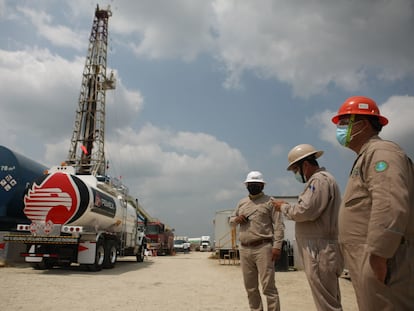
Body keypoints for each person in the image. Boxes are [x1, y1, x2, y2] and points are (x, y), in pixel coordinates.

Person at [331, 96, 414, 310]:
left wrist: (380, 254)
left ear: (364, 124)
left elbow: (389, 203)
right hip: (368, 257)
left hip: (381, 258)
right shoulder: (366, 156)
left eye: (344, 123)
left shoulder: (382, 153)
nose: (339, 128)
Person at [271, 144, 343, 311]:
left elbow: (306, 211)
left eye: (296, 170)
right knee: (330, 299)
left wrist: (284, 207)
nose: (296, 175)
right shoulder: (325, 179)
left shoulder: (318, 181)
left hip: (319, 249)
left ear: (305, 165)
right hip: (323, 247)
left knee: (326, 303)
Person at [229, 171, 285, 311]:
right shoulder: (241, 203)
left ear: (262, 185)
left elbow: (279, 226)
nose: (253, 186)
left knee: (268, 287)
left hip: (263, 248)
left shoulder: (270, 202)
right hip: (244, 249)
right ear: (246, 185)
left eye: (256, 184)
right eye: (251, 184)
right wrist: (237, 219)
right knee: (250, 287)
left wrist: (277, 246)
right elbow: (230, 221)